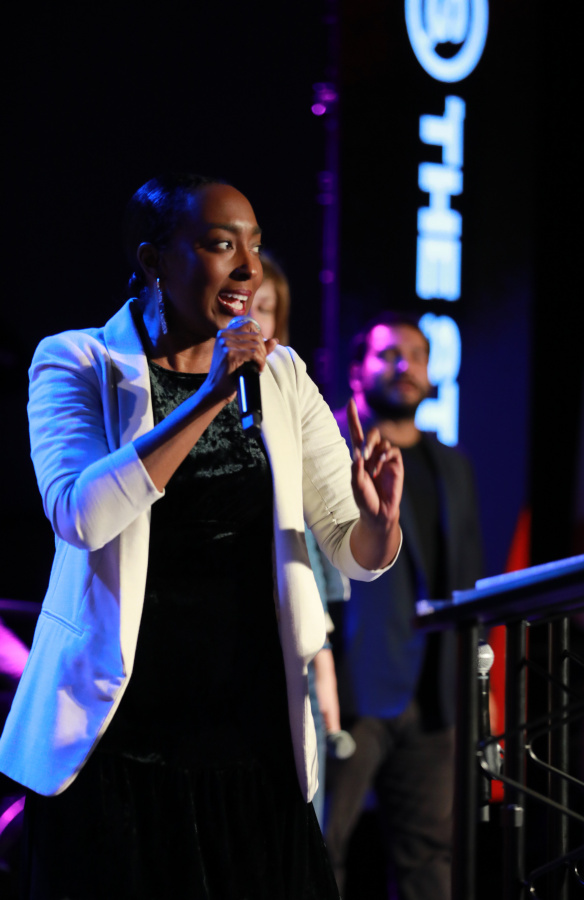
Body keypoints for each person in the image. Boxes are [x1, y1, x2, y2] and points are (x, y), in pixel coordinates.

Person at [0, 174, 403, 900]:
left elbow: (353, 551)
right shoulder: (76, 361)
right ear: (154, 260)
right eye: (221, 245)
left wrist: (379, 523)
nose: (249, 268)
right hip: (114, 745)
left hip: (252, 740)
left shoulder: (281, 374)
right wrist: (210, 396)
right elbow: (81, 515)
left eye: (255, 245)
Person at [325, 311, 484, 900]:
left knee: (428, 860)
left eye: (417, 356)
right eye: (389, 354)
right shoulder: (329, 451)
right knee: (320, 849)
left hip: (435, 695)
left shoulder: (453, 466)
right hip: (352, 688)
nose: (406, 367)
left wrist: (474, 686)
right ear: (357, 369)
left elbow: (466, 576)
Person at [252, 254, 349, 828]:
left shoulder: (293, 403)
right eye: (243, 303)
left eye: (266, 307)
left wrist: (325, 665)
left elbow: (313, 547)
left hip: (295, 645)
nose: (253, 317)